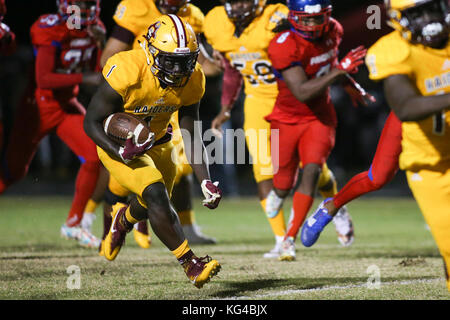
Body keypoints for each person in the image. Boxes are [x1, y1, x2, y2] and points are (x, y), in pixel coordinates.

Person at [305, 0, 450, 290]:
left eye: (431, 10)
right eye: (415, 13)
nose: (427, 20)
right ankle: (331, 206)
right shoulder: (394, 49)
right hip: (420, 124)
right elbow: (407, 106)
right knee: (378, 176)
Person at [204, 0, 355, 259]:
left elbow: (308, 45)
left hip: (291, 99)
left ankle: (336, 207)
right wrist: (226, 107)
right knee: (263, 170)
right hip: (256, 101)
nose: (239, 7)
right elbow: (231, 68)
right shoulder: (215, 22)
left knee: (313, 169)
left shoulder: (276, 17)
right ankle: (281, 239)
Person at [84, 14, 222, 288]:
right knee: (157, 195)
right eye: (170, 60)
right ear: (150, 51)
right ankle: (191, 264)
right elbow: (91, 122)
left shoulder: (193, 78)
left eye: (185, 61)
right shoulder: (127, 69)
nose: (178, 69)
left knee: (150, 204)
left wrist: (205, 178)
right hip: (119, 146)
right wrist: (119, 150)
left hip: (161, 143)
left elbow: (191, 133)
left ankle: (123, 219)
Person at [265, 0, 370, 260]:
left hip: (319, 117)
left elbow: (331, 66)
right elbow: (301, 92)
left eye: (317, 18)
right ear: (293, 17)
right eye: (306, 19)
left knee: (311, 170)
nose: (312, 25)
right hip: (287, 118)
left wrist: (348, 84)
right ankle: (322, 199)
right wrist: (340, 72)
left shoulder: (333, 30)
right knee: (281, 186)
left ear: (327, 15)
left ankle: (289, 238)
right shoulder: (283, 44)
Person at [0, 0, 104, 248]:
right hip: (37, 107)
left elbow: (97, 70)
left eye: (88, 3)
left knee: (94, 155)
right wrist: (84, 78)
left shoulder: (94, 28)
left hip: (66, 104)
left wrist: (100, 42)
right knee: (14, 172)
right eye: (80, 3)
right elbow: (44, 78)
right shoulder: (50, 28)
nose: (85, 7)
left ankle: (73, 224)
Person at [301, 111, 401, 247]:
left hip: (434, 126)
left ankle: (286, 243)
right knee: (280, 182)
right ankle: (331, 206)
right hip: (276, 125)